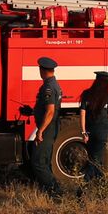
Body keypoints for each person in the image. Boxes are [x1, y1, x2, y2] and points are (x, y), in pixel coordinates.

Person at [30, 57, 64, 194]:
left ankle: (56, 190)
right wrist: (32, 111)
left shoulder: (49, 87)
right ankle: (49, 191)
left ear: (42, 70)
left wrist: (40, 131)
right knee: (45, 160)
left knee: (38, 162)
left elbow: (50, 112)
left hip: (48, 128)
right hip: (51, 126)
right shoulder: (53, 84)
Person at [79, 71, 108, 182]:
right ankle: (82, 188)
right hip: (102, 133)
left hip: (90, 131)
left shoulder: (86, 94)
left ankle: (101, 185)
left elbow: (82, 113)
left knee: (95, 159)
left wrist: (83, 132)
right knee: (95, 160)